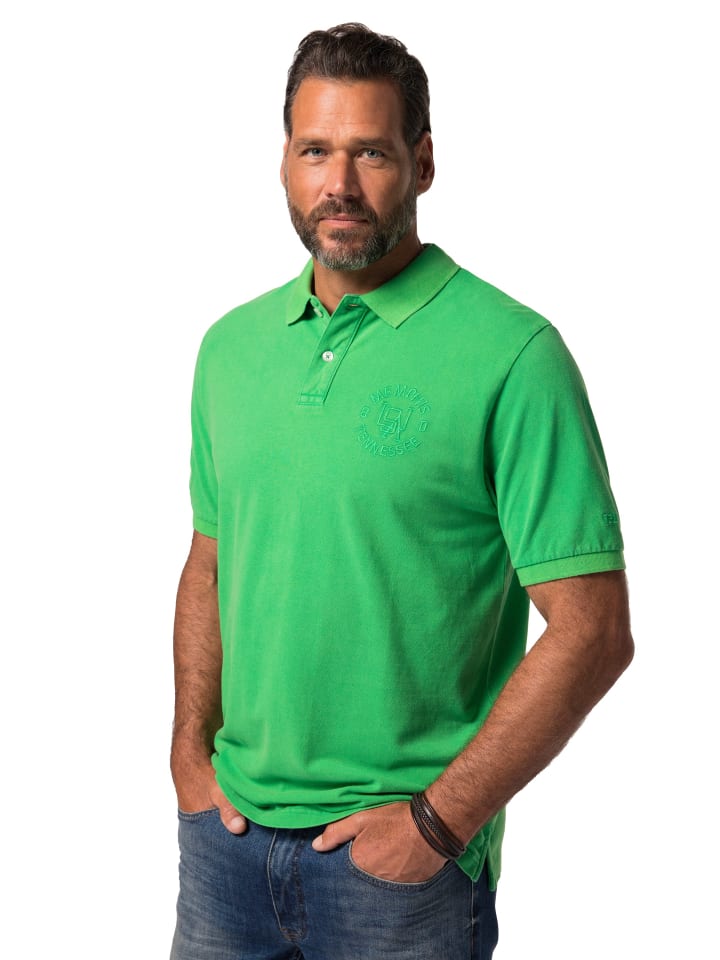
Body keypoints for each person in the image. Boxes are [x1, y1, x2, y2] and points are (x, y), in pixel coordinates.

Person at [170, 22, 634, 960]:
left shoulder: (514, 355)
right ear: (285, 162)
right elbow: (212, 561)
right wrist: (188, 750)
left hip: (398, 874)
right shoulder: (230, 348)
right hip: (225, 847)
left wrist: (437, 822)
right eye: (315, 151)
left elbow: (593, 630)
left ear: (423, 162)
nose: (338, 184)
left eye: (371, 153)